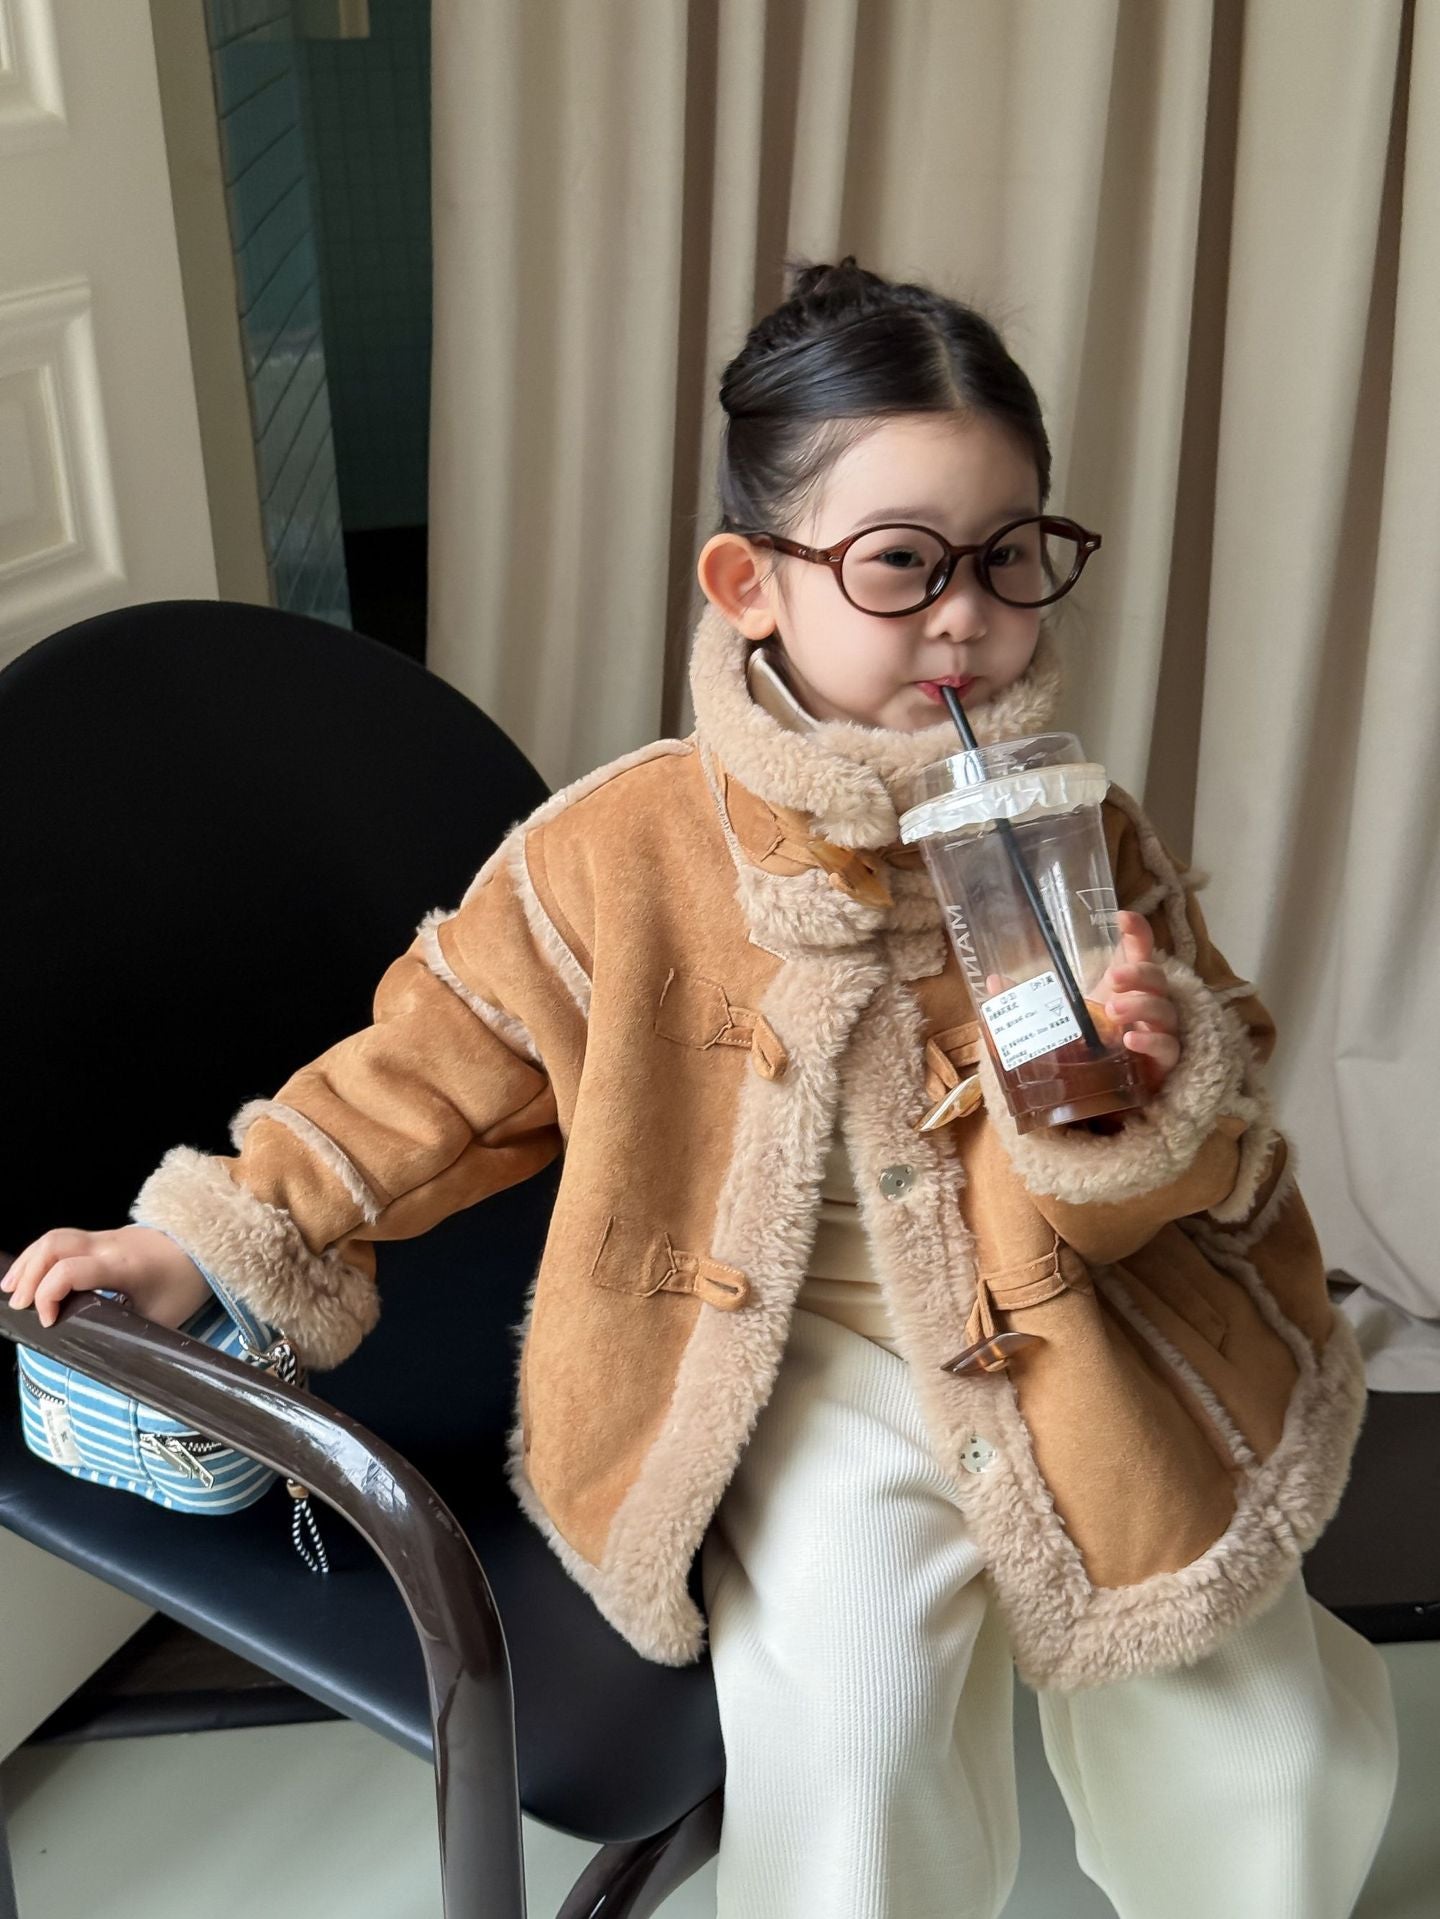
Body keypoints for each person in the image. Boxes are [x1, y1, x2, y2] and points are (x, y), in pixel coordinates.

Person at [4, 257, 1398, 1917]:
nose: (966, 613)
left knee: (1261, 1747)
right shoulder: (620, 850)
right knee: (850, 1750)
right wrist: (212, 1235)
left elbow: (1208, 1143)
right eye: (903, 562)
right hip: (793, 1364)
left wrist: (1142, 1098)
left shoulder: (1080, 831)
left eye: (1011, 556)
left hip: (1088, 1331)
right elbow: (426, 1075)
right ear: (751, 582)